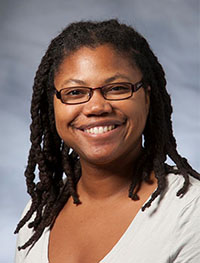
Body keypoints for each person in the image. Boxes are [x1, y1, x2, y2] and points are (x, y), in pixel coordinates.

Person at [15, 19, 200, 263]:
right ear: (53, 106)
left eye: (117, 88)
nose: (96, 107)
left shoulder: (190, 211)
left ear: (147, 97)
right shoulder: (37, 214)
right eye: (75, 92)